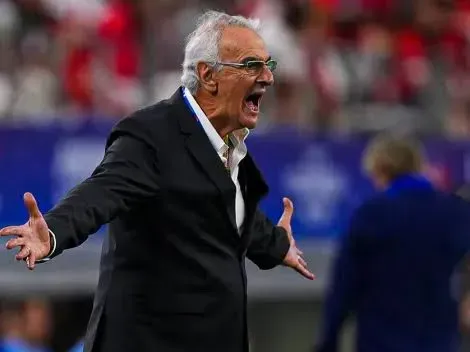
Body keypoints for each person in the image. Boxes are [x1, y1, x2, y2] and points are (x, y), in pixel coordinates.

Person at [0, 10, 314, 352]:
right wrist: (55, 232)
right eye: (252, 65)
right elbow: (101, 192)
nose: (267, 77)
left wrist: (277, 245)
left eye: (269, 65)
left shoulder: (225, 144)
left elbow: (230, 212)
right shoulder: (150, 134)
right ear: (208, 75)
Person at [315, 135, 470, 352]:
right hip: (440, 342)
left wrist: (328, 341)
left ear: (381, 170)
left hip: (381, 340)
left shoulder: (371, 215)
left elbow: (344, 286)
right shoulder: (454, 211)